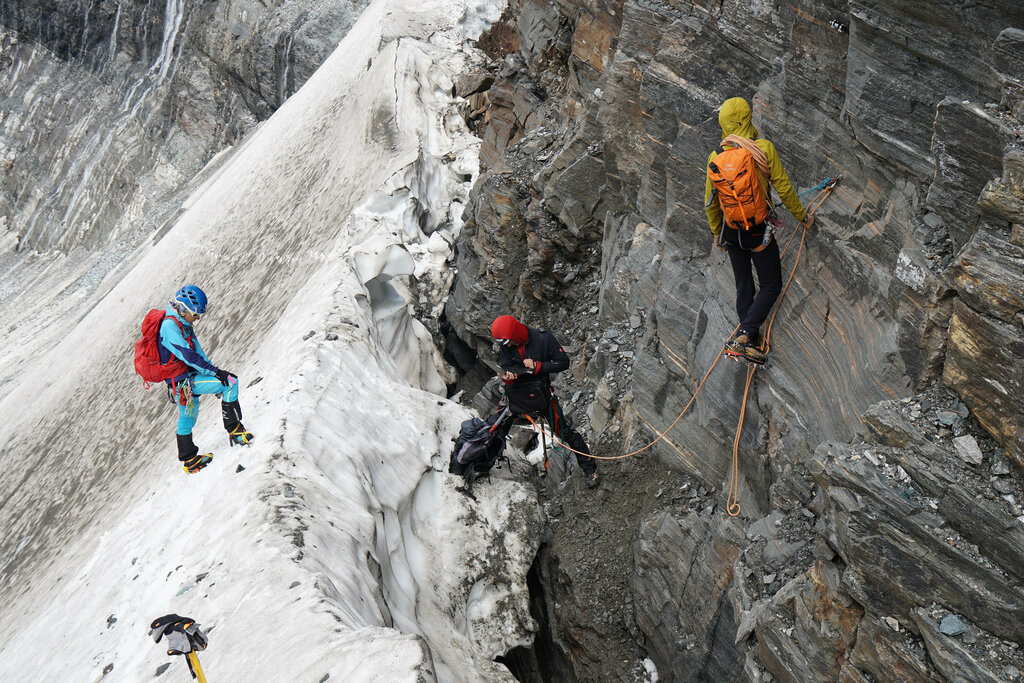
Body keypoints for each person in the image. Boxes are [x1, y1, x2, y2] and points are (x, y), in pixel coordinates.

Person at [704, 97, 814, 364]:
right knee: (771, 285)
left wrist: (716, 233)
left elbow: (710, 202)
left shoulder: (716, 156)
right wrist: (802, 216)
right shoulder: (762, 148)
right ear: (748, 118)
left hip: (731, 232)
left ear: (724, 123)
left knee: (744, 284)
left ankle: (748, 342)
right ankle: (745, 334)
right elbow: (784, 188)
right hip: (757, 232)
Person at [490, 315, 599, 488]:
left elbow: (563, 362)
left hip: (542, 395)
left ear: (516, 334)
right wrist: (508, 377)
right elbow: (507, 365)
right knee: (497, 425)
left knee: (563, 431)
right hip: (518, 394)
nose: (508, 346)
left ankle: (589, 469)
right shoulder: (507, 345)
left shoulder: (543, 339)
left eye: (509, 342)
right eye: (505, 344)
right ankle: (485, 461)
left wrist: (538, 366)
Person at [161, 285, 254, 473]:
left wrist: (214, 372)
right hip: (184, 382)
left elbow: (198, 353)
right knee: (231, 383)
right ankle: (235, 431)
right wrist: (217, 374)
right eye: (195, 314)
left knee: (188, 417)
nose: (198, 318)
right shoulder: (170, 327)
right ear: (184, 308)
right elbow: (188, 355)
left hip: (182, 382)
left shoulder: (183, 324)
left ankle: (189, 461)